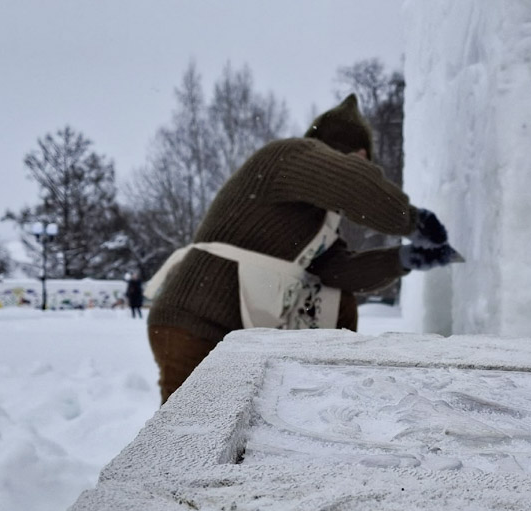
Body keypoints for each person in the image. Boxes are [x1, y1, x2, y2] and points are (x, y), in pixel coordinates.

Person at [146, 94, 461, 404]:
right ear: (358, 154)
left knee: (222, 444)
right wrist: (413, 220)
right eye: (362, 161)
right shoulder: (286, 156)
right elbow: (353, 183)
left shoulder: (312, 218)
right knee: (188, 441)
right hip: (193, 322)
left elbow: (339, 272)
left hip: (235, 336)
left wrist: (401, 259)